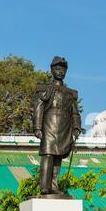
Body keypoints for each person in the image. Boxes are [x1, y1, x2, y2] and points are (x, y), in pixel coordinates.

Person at [33, 56, 82, 195]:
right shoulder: (44, 89)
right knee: (48, 155)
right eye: (57, 69)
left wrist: (77, 127)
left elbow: (75, 113)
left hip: (64, 128)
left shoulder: (70, 93)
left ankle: (54, 186)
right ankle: (44, 186)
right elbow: (38, 108)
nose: (60, 72)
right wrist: (37, 127)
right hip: (49, 125)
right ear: (52, 70)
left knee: (58, 156)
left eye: (63, 69)